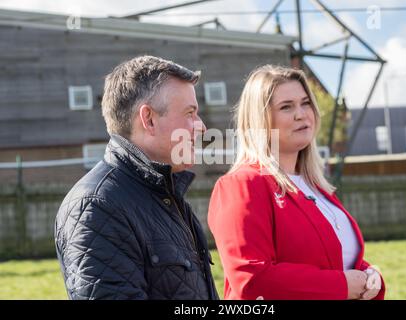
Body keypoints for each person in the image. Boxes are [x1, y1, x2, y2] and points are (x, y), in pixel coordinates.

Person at [208, 65, 385, 300]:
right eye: (286, 107)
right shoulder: (242, 184)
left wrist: (371, 277)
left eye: (306, 103)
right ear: (260, 120)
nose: (301, 114)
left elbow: (337, 259)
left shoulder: (316, 186)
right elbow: (253, 281)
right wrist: (341, 285)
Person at [55, 55, 219, 300]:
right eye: (190, 113)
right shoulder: (97, 206)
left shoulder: (164, 195)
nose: (202, 127)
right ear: (149, 119)